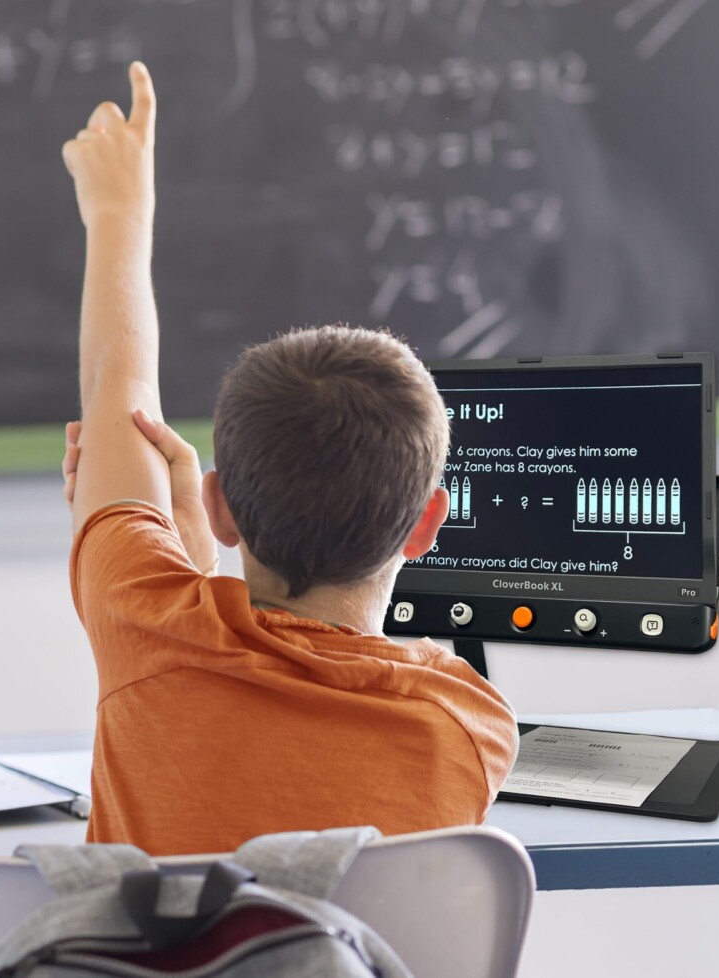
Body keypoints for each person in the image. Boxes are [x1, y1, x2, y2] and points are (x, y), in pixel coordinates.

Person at [60, 62, 517, 855]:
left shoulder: (142, 619)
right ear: (427, 524)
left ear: (219, 506)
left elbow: (116, 384)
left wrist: (117, 211)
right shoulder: (466, 722)